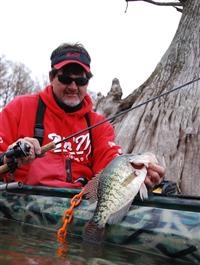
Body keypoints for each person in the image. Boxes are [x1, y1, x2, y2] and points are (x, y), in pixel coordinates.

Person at [0, 42, 165, 189]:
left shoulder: (99, 124)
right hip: (23, 203)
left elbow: (110, 160)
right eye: (65, 78)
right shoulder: (20, 107)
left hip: (78, 206)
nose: (73, 86)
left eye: (80, 81)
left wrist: (135, 172)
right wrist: (10, 155)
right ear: (51, 77)